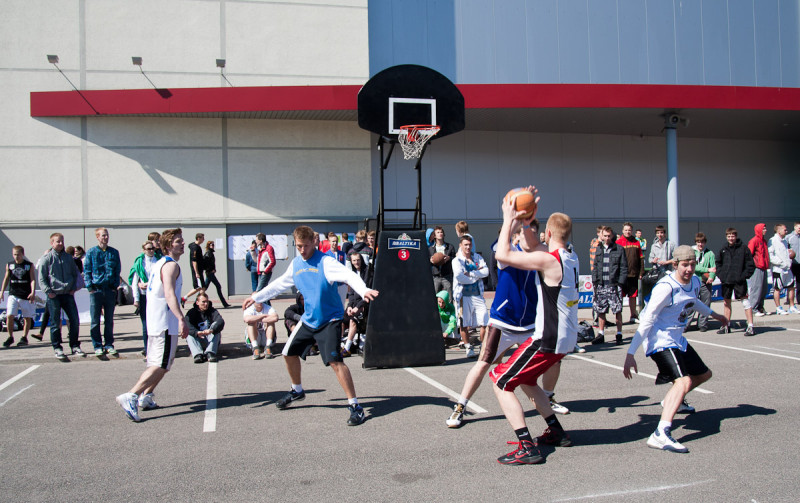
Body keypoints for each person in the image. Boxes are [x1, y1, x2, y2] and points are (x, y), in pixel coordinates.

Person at [242, 225, 379, 426]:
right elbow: (280, 284)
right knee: (288, 353)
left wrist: (364, 289)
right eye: (299, 246)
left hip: (329, 320)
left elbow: (349, 276)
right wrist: (257, 297)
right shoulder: (296, 264)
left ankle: (355, 406)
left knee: (335, 361)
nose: (303, 250)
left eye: (306, 246)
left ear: (314, 242)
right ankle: (297, 390)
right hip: (309, 319)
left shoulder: (326, 262)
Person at [447, 221, 568, 429]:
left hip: (531, 324)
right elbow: (499, 249)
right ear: (516, 236)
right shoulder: (507, 253)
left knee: (553, 362)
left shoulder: (541, 256)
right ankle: (460, 406)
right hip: (503, 322)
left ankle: (548, 397)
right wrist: (510, 219)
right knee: (483, 363)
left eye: (535, 232)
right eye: (526, 232)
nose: (532, 236)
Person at [489, 191, 580, 465]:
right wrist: (528, 221)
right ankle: (556, 431)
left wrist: (509, 219)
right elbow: (530, 247)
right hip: (564, 338)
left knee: (500, 380)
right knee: (527, 380)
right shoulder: (568, 256)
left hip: (547, 338)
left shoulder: (550, 260)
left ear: (548, 233)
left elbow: (502, 253)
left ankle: (526, 446)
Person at [623, 246, 729, 453]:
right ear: (675, 264)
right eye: (685, 265)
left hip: (677, 339)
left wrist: (713, 314)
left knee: (704, 374)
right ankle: (660, 434)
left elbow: (693, 301)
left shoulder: (695, 281)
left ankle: (675, 401)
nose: (689, 269)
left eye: (692, 264)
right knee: (683, 381)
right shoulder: (666, 287)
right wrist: (630, 353)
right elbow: (647, 319)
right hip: (659, 340)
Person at [116, 228, 189, 422]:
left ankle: (146, 396)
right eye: (177, 241)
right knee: (160, 364)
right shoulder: (170, 266)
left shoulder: (159, 264)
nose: (182, 243)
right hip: (165, 322)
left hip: (157, 321)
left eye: (182, 240)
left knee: (164, 364)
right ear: (167, 246)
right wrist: (181, 318)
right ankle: (131, 395)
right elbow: (169, 293)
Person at [38, 233, 83, 360]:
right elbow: (42, 277)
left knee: (74, 320)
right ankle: (57, 347)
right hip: (54, 295)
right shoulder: (46, 259)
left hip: (68, 294)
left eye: (62, 241)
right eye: (58, 242)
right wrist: (48, 291)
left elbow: (75, 274)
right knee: (55, 322)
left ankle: (74, 345)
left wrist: (73, 288)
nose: (61, 244)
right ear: (52, 243)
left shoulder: (69, 258)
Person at [84, 227, 122, 356]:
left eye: (107, 235)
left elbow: (117, 270)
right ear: (97, 237)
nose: (105, 237)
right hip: (96, 290)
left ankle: (109, 344)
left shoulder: (114, 252)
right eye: (103, 235)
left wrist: (115, 286)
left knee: (109, 320)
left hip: (109, 289)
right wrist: (90, 287)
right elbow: (87, 271)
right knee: (95, 320)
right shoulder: (91, 252)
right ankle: (97, 345)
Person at [452, 235, 489, 358]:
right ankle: (468, 347)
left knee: (484, 321)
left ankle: (483, 347)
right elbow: (460, 277)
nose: (468, 247)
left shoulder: (477, 257)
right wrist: (476, 277)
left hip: (478, 295)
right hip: (463, 297)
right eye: (465, 245)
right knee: (464, 323)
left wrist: (472, 273)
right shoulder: (456, 261)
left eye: (469, 244)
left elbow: (486, 271)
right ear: (460, 246)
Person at [591, 226, 628, 345]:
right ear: (601, 236)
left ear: (612, 236)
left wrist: (620, 283)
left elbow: (623, 267)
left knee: (617, 310)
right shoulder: (599, 249)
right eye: (605, 236)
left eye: (608, 236)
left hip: (614, 285)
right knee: (600, 311)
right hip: (601, 285)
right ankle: (601, 334)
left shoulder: (619, 249)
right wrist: (595, 281)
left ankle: (619, 334)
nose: (606, 238)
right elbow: (595, 266)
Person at [716, 228, 755, 336]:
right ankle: (726, 325)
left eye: (732, 236)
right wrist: (721, 275)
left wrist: (743, 276)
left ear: (736, 236)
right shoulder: (723, 249)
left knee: (745, 302)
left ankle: (750, 326)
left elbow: (750, 265)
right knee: (726, 302)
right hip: (727, 281)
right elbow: (718, 263)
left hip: (739, 281)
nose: (731, 238)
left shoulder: (744, 248)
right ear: (726, 237)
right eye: (729, 236)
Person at [1, 246, 38, 347]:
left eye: (18, 254)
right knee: (9, 315)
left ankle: (24, 337)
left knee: (27, 317)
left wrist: (33, 292)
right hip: (13, 294)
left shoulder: (28, 265)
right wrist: (2, 291)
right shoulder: (10, 265)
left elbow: (32, 279)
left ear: (23, 254)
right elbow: (6, 278)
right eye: (14, 254)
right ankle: (10, 336)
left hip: (25, 295)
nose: (16, 257)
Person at [129, 240, 159, 355]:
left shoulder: (158, 260)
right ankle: (147, 349)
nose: (151, 251)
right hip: (144, 296)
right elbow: (135, 281)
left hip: (155, 295)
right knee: (145, 324)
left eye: (152, 248)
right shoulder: (140, 263)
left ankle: (156, 347)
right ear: (144, 250)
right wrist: (136, 299)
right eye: (148, 249)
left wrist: (150, 283)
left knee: (156, 323)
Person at [341, 250, 373, 357]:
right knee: (340, 318)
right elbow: (351, 293)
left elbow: (367, 292)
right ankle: (340, 344)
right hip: (354, 304)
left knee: (353, 320)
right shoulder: (352, 274)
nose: (356, 263)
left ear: (361, 260)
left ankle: (347, 348)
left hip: (366, 303)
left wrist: (358, 307)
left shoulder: (368, 272)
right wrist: (350, 306)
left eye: (358, 260)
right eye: (354, 260)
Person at [185, 292, 225, 363]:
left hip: (210, 339)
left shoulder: (212, 311)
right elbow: (187, 324)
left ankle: (210, 353)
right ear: (197, 302)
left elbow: (220, 321)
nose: (206, 304)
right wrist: (196, 332)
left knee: (216, 328)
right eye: (203, 302)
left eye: (207, 302)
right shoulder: (191, 312)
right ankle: (198, 355)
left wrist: (212, 330)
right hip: (198, 340)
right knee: (188, 333)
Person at [617, 222, 644, 323]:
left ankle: (633, 315)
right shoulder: (618, 242)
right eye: (626, 230)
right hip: (622, 276)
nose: (627, 232)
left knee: (633, 296)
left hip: (634, 274)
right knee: (620, 297)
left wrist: (641, 272)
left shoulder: (636, 242)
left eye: (629, 230)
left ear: (632, 231)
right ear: (622, 231)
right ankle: (619, 319)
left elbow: (641, 258)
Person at [768, 224, 794, 315]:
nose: (786, 231)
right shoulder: (772, 240)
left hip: (787, 268)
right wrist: (780, 262)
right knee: (777, 288)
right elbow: (771, 256)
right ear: (779, 231)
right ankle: (778, 307)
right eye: (785, 230)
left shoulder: (785, 241)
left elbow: (787, 253)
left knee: (791, 286)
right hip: (778, 269)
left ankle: (791, 306)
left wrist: (788, 262)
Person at [692, 232, 716, 332]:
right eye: (698, 242)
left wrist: (711, 277)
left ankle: (702, 324)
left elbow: (713, 268)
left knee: (705, 303)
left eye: (702, 242)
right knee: (691, 303)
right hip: (693, 280)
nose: (700, 244)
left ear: (705, 243)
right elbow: (694, 267)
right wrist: (707, 269)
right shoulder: (692, 252)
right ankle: (685, 324)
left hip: (705, 282)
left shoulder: (710, 253)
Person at [747, 223, 770, 316]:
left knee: (763, 289)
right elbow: (749, 254)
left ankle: (760, 307)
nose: (765, 230)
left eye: (765, 228)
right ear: (759, 230)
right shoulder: (754, 241)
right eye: (764, 228)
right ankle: (753, 308)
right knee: (756, 288)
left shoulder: (764, 241)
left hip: (764, 268)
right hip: (757, 268)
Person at [429, 225, 456, 297]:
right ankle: (436, 309)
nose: (440, 233)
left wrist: (449, 258)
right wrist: (430, 260)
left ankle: (449, 308)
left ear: (443, 234)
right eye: (438, 232)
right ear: (434, 236)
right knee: (435, 298)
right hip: (436, 276)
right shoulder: (431, 249)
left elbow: (455, 259)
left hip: (447, 276)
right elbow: (426, 261)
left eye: (441, 232)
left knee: (449, 297)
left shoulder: (450, 247)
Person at [202, 241, 231, 308]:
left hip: (210, 273)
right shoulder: (208, 253)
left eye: (213, 245)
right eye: (211, 245)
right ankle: (224, 303)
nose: (213, 246)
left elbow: (211, 263)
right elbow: (206, 263)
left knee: (204, 288)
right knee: (218, 286)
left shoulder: (210, 253)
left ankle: (194, 301)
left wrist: (213, 269)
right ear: (208, 245)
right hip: (210, 273)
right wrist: (210, 270)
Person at [183, 233, 206, 306]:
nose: (204, 239)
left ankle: (199, 302)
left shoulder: (197, 246)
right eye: (202, 238)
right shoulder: (195, 247)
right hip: (197, 271)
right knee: (198, 287)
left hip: (200, 270)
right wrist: (196, 272)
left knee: (203, 288)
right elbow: (194, 260)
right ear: (198, 238)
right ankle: (184, 298)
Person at [787, 222, 800, 313]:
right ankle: (789, 300)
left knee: (799, 282)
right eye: (799, 227)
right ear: (795, 227)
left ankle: (799, 299)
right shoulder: (789, 237)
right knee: (790, 283)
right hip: (792, 263)